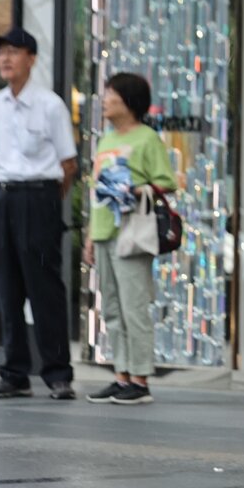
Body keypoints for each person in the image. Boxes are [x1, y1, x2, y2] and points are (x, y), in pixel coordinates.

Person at [0, 27, 79, 401]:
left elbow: (68, 164)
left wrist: (48, 202)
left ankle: (57, 373)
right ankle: (15, 372)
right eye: (0, 52)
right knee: (7, 287)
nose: (5, 59)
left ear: (32, 59)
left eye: (14, 52)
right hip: (3, 197)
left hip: (39, 197)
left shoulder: (50, 105)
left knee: (45, 288)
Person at [82, 72, 177, 406]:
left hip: (132, 232)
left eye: (110, 95)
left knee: (134, 307)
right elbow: (97, 193)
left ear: (128, 101)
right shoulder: (106, 141)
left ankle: (140, 378)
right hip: (105, 230)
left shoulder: (147, 139)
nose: (104, 100)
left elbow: (167, 181)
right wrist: (91, 237)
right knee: (111, 307)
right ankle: (121, 375)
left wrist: (135, 190)